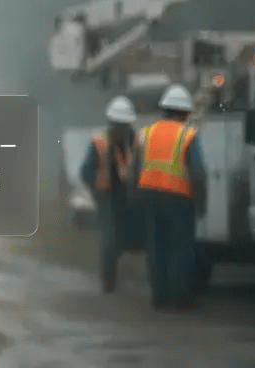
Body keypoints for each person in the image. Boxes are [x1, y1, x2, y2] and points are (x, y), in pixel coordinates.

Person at [132, 83, 207, 311]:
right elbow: (197, 171)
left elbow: (134, 169)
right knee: (180, 249)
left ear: (164, 108)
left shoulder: (145, 133)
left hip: (149, 197)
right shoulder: (188, 134)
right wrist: (201, 201)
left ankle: (159, 298)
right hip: (178, 199)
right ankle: (181, 299)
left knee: (156, 248)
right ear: (184, 112)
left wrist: (134, 198)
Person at [80, 95, 139, 293]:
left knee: (128, 239)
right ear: (111, 123)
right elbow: (86, 171)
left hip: (132, 198)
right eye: (118, 124)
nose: (121, 128)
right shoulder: (100, 142)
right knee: (109, 240)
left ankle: (129, 277)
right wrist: (96, 192)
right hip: (108, 198)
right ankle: (109, 282)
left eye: (124, 124)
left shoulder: (137, 141)